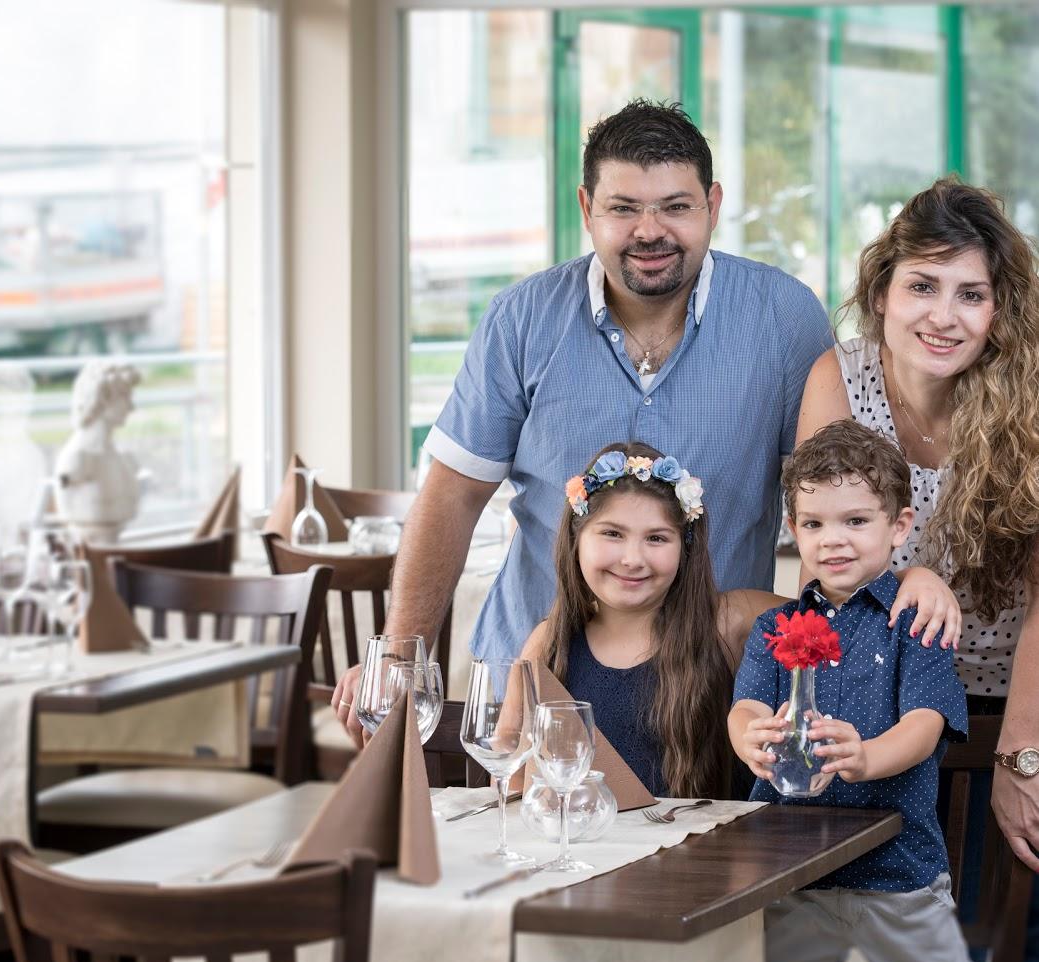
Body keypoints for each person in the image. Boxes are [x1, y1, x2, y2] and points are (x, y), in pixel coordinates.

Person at [334, 98, 840, 734]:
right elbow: (451, 497)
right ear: (586, 209)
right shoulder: (522, 319)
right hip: (535, 680)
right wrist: (400, 656)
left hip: (714, 692)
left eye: (675, 207)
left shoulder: (784, 317)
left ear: (712, 206)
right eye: (623, 208)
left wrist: (824, 676)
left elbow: (831, 509)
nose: (650, 231)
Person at [794, 177, 1039, 962]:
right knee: (931, 949)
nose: (944, 315)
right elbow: (824, 548)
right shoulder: (842, 377)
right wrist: (909, 581)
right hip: (889, 693)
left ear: (998, 312)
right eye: (922, 286)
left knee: (1017, 924)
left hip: (1010, 693)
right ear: (881, 292)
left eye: (971, 294)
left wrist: (1019, 756)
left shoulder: (1024, 395)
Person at [730, 420, 992, 962]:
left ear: (898, 527)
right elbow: (745, 706)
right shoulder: (776, 628)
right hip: (791, 874)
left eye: (856, 521)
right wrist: (748, 734)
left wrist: (867, 756)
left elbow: (927, 724)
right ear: (793, 530)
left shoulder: (914, 622)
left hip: (895, 874)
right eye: (814, 524)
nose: (833, 541)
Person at [519, 441, 781, 798]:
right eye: (612, 533)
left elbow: (837, 616)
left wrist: (887, 598)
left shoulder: (728, 621)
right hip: (591, 848)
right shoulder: (548, 642)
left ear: (685, 548)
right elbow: (514, 771)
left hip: (711, 850)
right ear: (576, 538)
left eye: (656, 538)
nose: (632, 559)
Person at [54, 360, 142, 543]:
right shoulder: (78, 459)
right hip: (90, 557)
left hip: (117, 555)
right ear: (101, 398)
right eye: (125, 396)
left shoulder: (123, 457)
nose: (132, 407)